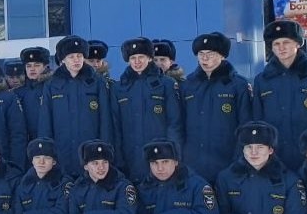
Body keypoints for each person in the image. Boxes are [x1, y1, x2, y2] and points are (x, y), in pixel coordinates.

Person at [252, 20, 307, 173]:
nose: (281, 48)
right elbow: (258, 120)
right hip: (276, 156)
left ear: (297, 43)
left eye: (286, 42)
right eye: (276, 44)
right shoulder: (262, 80)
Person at [181, 32, 252, 187]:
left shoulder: (237, 85)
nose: (205, 59)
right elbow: (179, 123)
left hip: (227, 162)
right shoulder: (187, 85)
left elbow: (245, 125)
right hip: (193, 164)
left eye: (211, 54)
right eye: (201, 54)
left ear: (222, 56)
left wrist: (238, 159)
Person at [38, 35, 114, 178]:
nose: (76, 60)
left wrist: (104, 150)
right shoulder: (52, 85)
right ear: (63, 60)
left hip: (91, 154)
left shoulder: (97, 83)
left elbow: (105, 120)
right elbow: (45, 121)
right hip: (62, 152)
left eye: (79, 56)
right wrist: (46, 152)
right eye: (71, 56)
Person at [112, 37, 183, 180]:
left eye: (141, 57)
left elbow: (174, 123)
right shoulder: (118, 88)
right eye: (133, 58)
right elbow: (115, 125)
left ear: (150, 58)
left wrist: (173, 154)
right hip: (130, 157)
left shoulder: (167, 84)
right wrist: (118, 157)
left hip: (160, 159)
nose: (137, 62)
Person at [16, 47, 51, 140]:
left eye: (37, 65)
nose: (32, 69)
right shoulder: (17, 92)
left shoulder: (52, 88)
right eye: (29, 66)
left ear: (45, 67)